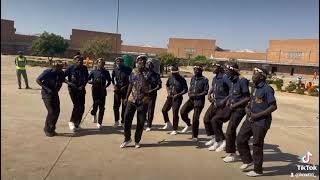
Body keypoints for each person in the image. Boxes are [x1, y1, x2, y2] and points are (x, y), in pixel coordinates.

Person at [236, 67, 277, 177]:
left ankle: (258, 170)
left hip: (261, 122)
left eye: (255, 74)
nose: (252, 75)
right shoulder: (254, 87)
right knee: (240, 139)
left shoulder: (267, 89)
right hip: (250, 119)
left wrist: (257, 115)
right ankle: (248, 160)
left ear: (262, 76)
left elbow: (273, 106)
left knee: (257, 145)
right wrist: (247, 109)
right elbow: (250, 101)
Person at [218, 62, 250, 162]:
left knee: (230, 130)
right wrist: (227, 100)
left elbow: (247, 98)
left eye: (227, 70)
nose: (225, 72)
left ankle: (232, 154)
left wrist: (235, 105)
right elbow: (232, 94)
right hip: (231, 107)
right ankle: (224, 143)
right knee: (216, 120)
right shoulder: (232, 80)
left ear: (233, 71)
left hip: (239, 110)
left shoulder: (242, 81)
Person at [120, 55, 149, 148]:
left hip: (143, 100)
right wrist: (126, 97)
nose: (141, 62)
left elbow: (146, 87)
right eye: (140, 60)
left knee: (140, 122)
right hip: (131, 99)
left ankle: (137, 141)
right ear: (137, 61)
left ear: (145, 62)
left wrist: (141, 74)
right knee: (126, 119)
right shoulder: (134, 71)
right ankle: (127, 139)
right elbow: (131, 84)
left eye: (143, 60)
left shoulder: (149, 73)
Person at [203, 62, 231, 149]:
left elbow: (232, 91)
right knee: (206, 119)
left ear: (219, 68)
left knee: (216, 122)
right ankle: (214, 138)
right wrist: (209, 94)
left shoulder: (225, 78)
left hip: (222, 105)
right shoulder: (215, 78)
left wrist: (225, 100)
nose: (212, 69)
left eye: (214, 67)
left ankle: (222, 141)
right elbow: (213, 87)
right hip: (214, 102)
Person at [180, 65, 209, 141]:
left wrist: (196, 95)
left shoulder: (205, 80)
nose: (196, 71)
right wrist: (189, 92)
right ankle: (189, 124)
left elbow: (206, 91)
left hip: (199, 101)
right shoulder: (193, 78)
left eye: (197, 70)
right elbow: (190, 87)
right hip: (191, 100)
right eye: (195, 69)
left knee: (195, 118)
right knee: (182, 112)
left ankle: (195, 136)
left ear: (201, 71)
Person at [36, 60, 65, 137]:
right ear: (54, 66)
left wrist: (70, 83)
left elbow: (62, 80)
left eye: (61, 67)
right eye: (58, 67)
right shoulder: (47, 72)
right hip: (46, 94)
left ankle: (52, 128)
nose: (60, 69)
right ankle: (46, 129)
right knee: (51, 111)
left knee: (57, 111)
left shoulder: (61, 73)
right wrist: (46, 88)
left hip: (55, 93)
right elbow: (38, 80)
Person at [64, 55, 89, 132]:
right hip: (73, 89)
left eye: (81, 60)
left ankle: (77, 123)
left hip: (81, 89)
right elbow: (62, 77)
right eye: (78, 60)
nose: (80, 62)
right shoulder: (70, 68)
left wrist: (83, 85)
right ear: (74, 61)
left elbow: (86, 79)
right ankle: (71, 121)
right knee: (76, 105)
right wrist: (69, 83)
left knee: (82, 106)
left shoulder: (84, 68)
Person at [161, 64, 188, 135]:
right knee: (164, 110)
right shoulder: (170, 77)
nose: (173, 74)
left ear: (178, 72)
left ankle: (175, 129)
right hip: (170, 97)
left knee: (175, 112)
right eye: (172, 72)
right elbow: (167, 85)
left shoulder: (182, 79)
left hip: (178, 98)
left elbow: (185, 90)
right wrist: (168, 92)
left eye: (175, 73)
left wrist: (178, 95)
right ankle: (167, 123)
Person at [88, 58, 112, 129]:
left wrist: (106, 86)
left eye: (102, 63)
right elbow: (88, 79)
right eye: (99, 62)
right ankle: (94, 114)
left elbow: (109, 81)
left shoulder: (106, 72)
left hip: (102, 91)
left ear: (104, 64)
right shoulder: (93, 71)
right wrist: (91, 82)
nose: (101, 64)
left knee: (102, 107)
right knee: (95, 105)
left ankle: (99, 122)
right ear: (97, 63)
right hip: (95, 90)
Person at [112, 57, 132, 127]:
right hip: (117, 91)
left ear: (123, 62)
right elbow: (113, 79)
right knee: (116, 106)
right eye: (117, 61)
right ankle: (116, 121)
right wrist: (114, 85)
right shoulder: (115, 69)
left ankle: (123, 121)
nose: (119, 62)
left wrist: (126, 86)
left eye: (120, 61)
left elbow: (131, 80)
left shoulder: (128, 69)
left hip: (125, 91)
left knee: (124, 106)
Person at [145, 59, 162, 131]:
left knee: (150, 110)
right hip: (144, 94)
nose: (149, 66)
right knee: (142, 109)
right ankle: (143, 122)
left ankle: (149, 125)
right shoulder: (143, 73)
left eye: (150, 65)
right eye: (148, 64)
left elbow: (159, 86)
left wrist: (152, 90)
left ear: (153, 66)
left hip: (152, 95)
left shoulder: (156, 75)